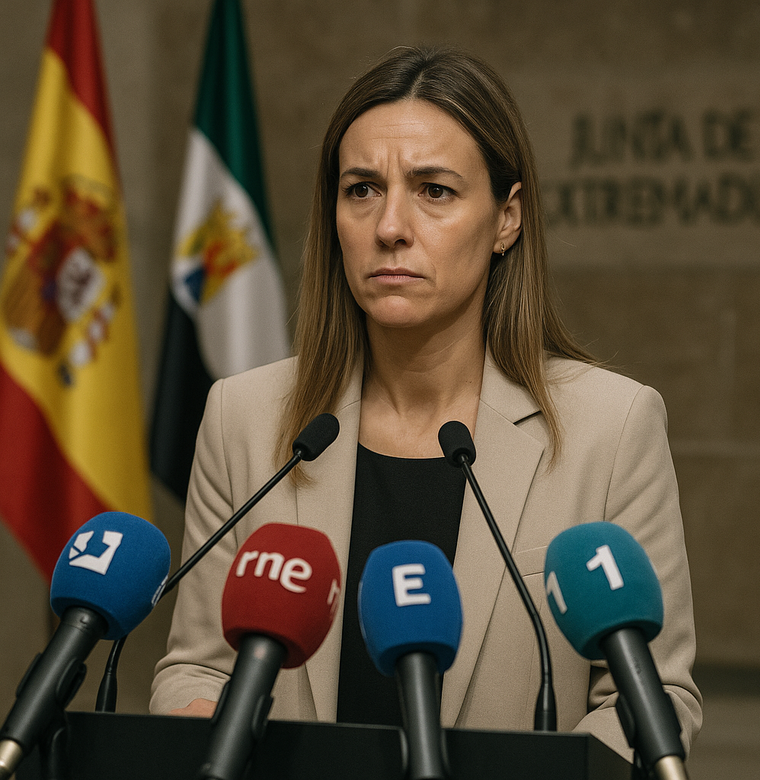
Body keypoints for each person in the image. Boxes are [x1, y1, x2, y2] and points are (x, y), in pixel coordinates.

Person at [150, 45, 702, 761]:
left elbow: (651, 697)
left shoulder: (612, 426)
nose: (389, 227)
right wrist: (199, 720)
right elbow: (196, 664)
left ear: (507, 218)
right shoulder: (244, 417)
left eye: (434, 190)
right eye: (362, 189)